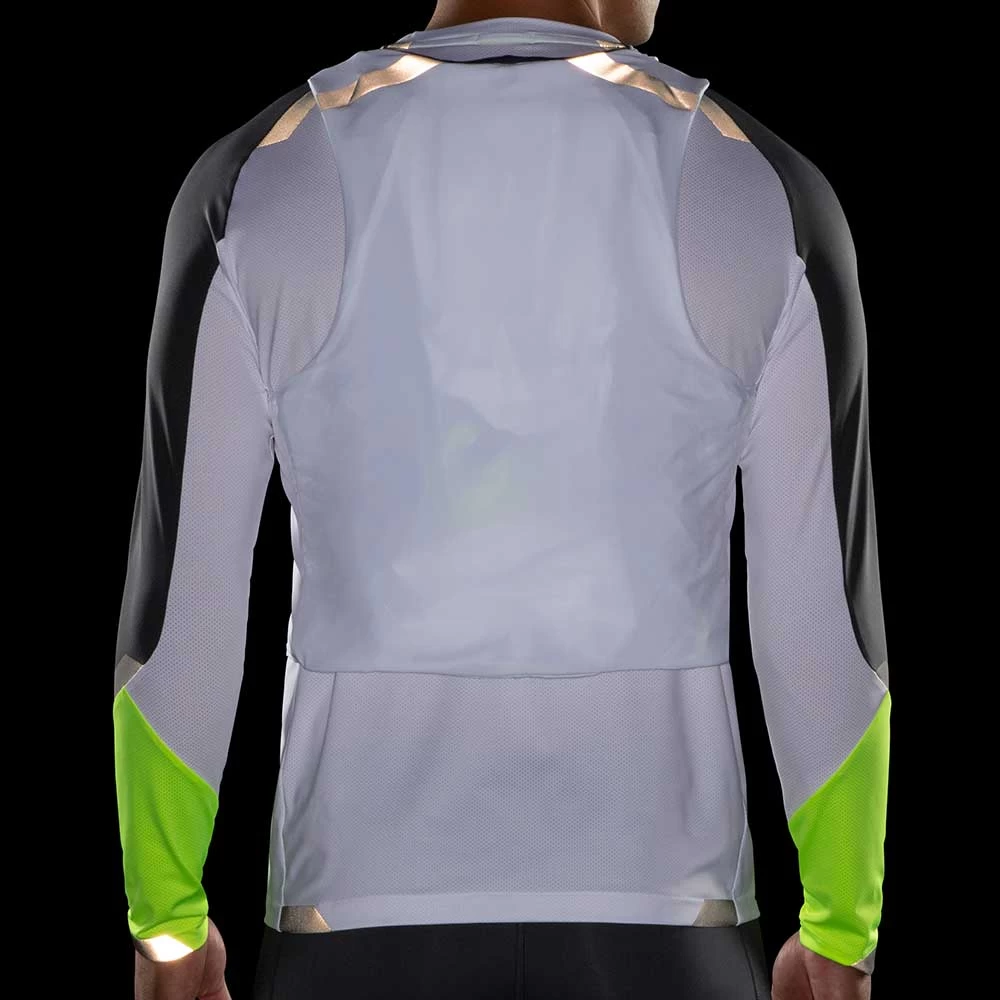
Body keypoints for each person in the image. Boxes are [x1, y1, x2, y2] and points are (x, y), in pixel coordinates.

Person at [112, 1, 891, 998]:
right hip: (670, 919)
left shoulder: (267, 175)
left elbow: (185, 606)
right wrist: (839, 932)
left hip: (350, 914)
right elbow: (819, 622)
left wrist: (168, 928)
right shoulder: (755, 187)